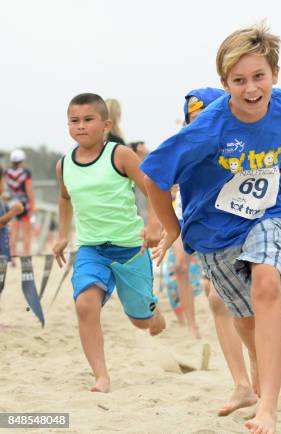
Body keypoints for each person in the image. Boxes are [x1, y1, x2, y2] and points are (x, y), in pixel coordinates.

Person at [141, 23, 281, 434]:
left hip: (267, 213)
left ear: (275, 74)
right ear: (225, 83)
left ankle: (268, 406)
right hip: (215, 231)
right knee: (244, 316)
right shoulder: (208, 128)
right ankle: (250, 387)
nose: (251, 88)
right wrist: (174, 226)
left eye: (259, 77)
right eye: (239, 80)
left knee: (267, 285)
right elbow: (154, 177)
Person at [52, 93, 165, 394]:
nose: (81, 126)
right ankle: (101, 376)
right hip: (91, 249)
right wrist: (63, 234)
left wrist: (154, 223)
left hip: (130, 248)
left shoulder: (120, 155)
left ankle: (153, 316)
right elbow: (64, 199)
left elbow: (151, 187)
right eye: (74, 121)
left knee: (140, 321)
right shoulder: (64, 165)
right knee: (85, 304)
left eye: (88, 120)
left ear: (106, 124)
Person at [6, 149, 36, 261]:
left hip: (12, 203)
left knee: (13, 231)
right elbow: (28, 189)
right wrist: (33, 204)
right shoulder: (25, 172)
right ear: (22, 160)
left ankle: (13, 257)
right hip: (24, 204)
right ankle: (26, 256)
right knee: (26, 232)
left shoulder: (7, 172)